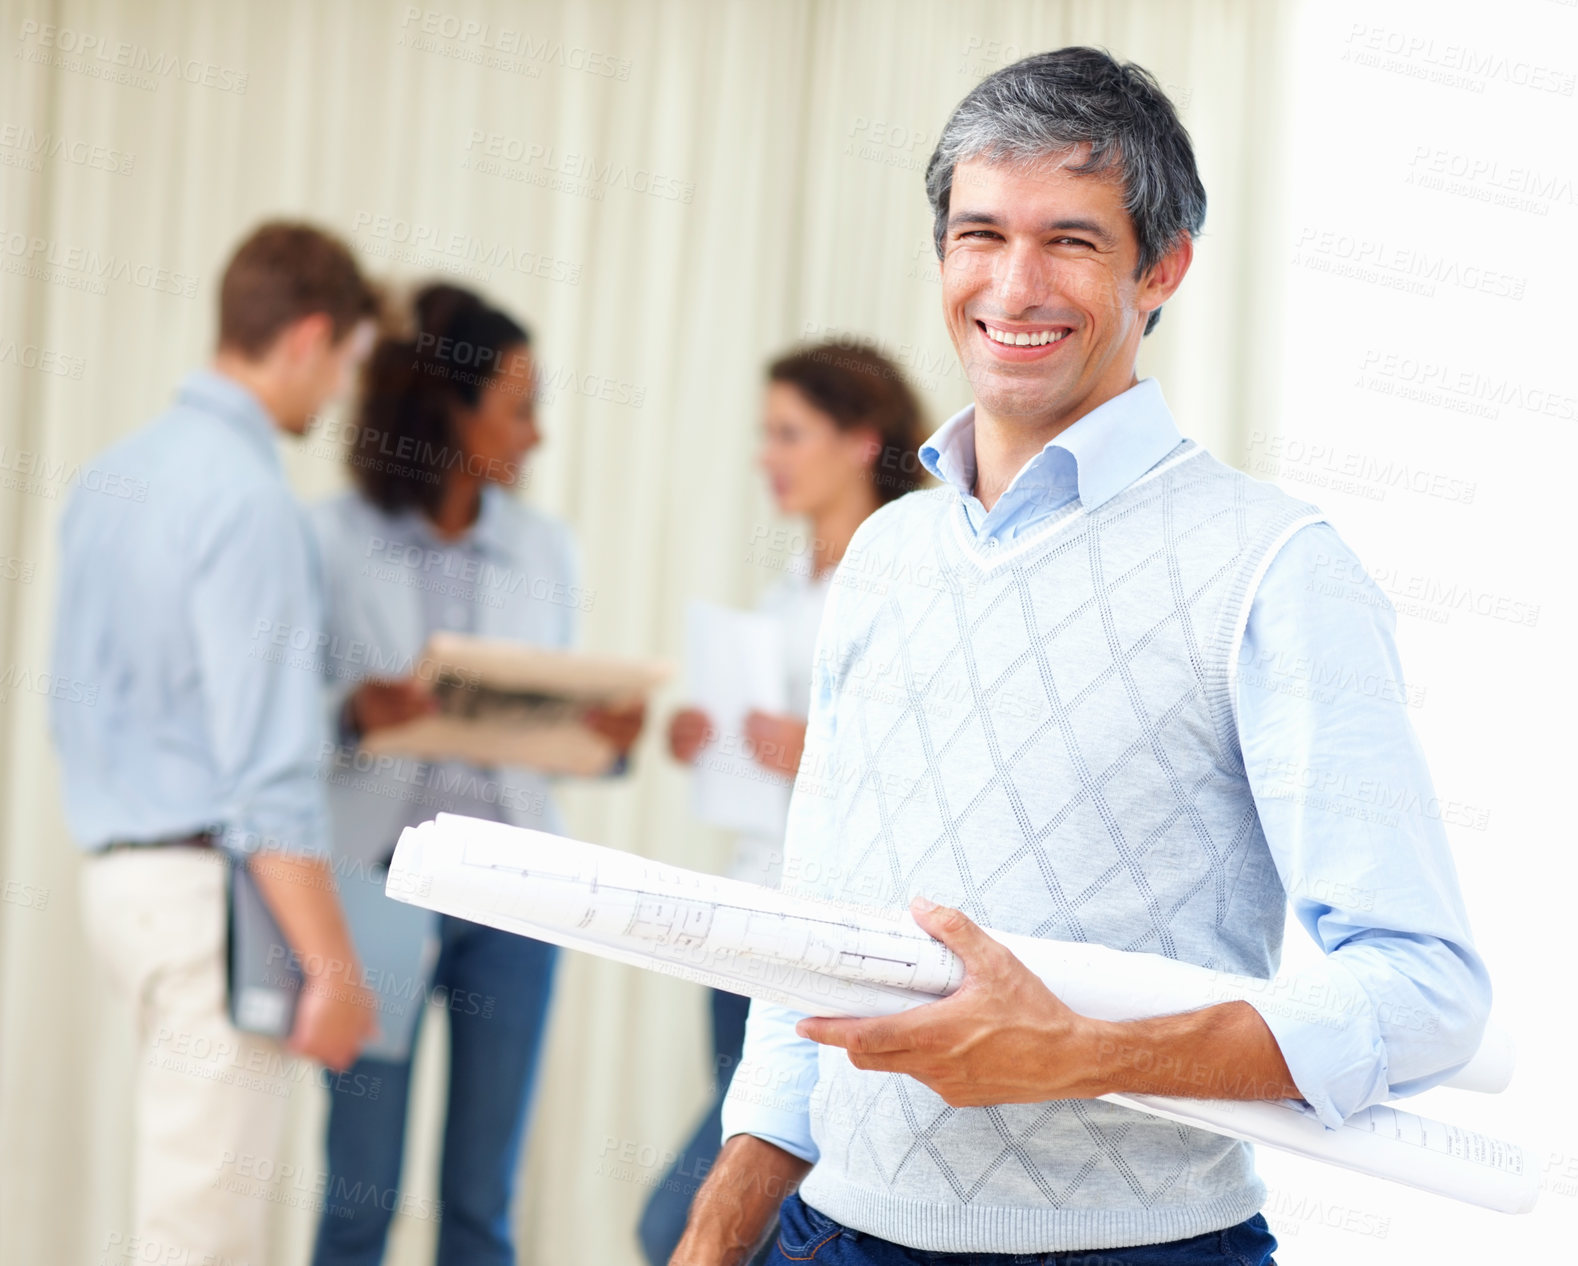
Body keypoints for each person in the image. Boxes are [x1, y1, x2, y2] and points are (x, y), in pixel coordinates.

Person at [674, 47, 1492, 1266]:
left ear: (1162, 268)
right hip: (827, 1236)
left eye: (1070, 240)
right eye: (979, 234)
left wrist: (1083, 1055)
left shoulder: (1274, 567)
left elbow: (1426, 993)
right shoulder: (885, 558)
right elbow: (814, 951)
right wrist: (717, 1230)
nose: (1013, 284)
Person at [50, 221, 381, 1266]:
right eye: (344, 368)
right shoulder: (250, 503)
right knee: (206, 1239)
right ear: (309, 338)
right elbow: (266, 770)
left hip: (121, 885)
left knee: (180, 1214)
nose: (334, 398)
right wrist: (334, 966)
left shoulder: (108, 479)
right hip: (212, 903)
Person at [309, 282, 645, 1266]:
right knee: (358, 1197)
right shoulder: (328, 541)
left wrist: (607, 735)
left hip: (516, 896)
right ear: (447, 409)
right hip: (374, 884)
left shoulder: (545, 550)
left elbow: (553, 734)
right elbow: (274, 724)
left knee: (480, 1205)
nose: (535, 435)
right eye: (520, 404)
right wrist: (354, 710)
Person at [638, 341, 925, 1266]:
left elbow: (926, 759)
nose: (769, 456)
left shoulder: (907, 575)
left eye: (789, 433)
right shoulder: (789, 583)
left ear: (858, 442)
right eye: (766, 434)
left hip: (831, 928)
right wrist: (708, 735)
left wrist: (811, 750)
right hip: (748, 908)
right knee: (749, 1178)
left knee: (697, 1213)